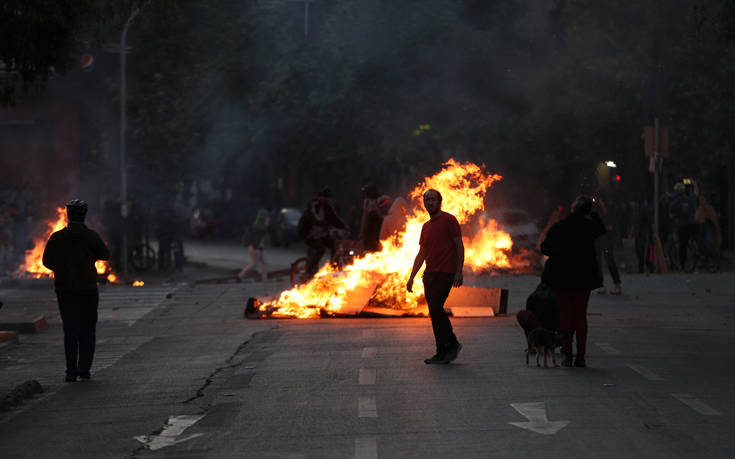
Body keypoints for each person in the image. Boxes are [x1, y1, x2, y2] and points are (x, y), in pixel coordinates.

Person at [42, 200, 110, 382]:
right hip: (87, 288)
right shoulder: (91, 236)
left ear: (68, 214)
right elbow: (105, 255)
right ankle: (84, 369)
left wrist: (62, 269)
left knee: (70, 329)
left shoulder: (57, 237)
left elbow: (46, 262)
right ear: (84, 215)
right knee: (87, 328)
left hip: (65, 289)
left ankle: (71, 371)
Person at [540, 194, 605, 368]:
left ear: (572, 209)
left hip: (561, 278)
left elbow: (544, 248)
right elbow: (601, 229)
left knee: (565, 317)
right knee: (580, 317)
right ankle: (581, 356)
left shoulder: (559, 227)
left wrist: (559, 253)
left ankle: (568, 354)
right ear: (587, 211)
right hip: (583, 278)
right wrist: (595, 212)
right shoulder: (589, 227)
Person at [406, 189, 464, 364]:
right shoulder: (426, 226)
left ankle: (452, 343)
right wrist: (411, 277)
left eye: (433, 199)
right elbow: (421, 253)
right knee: (433, 312)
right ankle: (441, 351)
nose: (430, 202)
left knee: (437, 307)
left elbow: (459, 246)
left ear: (440, 201)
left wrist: (459, 271)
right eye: (427, 199)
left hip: (445, 273)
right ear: (424, 203)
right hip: (429, 275)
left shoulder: (449, 220)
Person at [300, 187, 348, 277]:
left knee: (334, 245)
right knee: (320, 249)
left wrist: (344, 226)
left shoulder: (328, 207)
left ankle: (334, 268)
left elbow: (335, 218)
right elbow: (312, 216)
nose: (329, 201)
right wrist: (321, 223)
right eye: (326, 199)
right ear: (321, 197)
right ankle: (308, 271)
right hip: (308, 233)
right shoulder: (313, 204)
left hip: (321, 232)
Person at [592, 194, 622, 294]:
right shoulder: (596, 210)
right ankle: (601, 285)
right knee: (598, 261)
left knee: (610, 260)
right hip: (599, 239)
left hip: (607, 239)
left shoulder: (610, 209)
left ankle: (617, 284)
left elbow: (612, 223)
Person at [669, 181, 698, 269]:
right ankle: (700, 249)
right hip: (693, 225)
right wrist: (694, 184)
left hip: (683, 226)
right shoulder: (690, 199)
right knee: (696, 237)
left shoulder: (674, 203)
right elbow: (696, 192)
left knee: (683, 245)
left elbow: (671, 216)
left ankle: (683, 264)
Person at [238, 208, 269, 282]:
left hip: (259, 247)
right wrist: (267, 223)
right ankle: (240, 276)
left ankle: (264, 278)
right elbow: (264, 230)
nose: (268, 217)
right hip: (255, 247)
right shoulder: (258, 224)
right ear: (263, 216)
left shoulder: (259, 223)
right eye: (266, 216)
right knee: (254, 264)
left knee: (264, 263)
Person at [359, 184, 384, 253]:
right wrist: (361, 232)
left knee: (376, 250)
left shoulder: (380, 200)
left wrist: (375, 208)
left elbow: (383, 216)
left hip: (377, 231)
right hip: (369, 232)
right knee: (368, 250)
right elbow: (364, 218)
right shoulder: (366, 202)